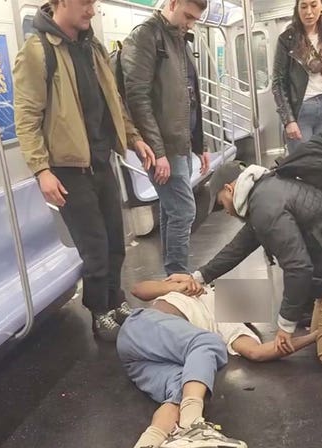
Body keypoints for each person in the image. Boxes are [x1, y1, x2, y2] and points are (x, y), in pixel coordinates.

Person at [13, 0, 157, 342]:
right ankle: (98, 311)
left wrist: (134, 138)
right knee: (94, 246)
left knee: (114, 240)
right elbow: (27, 117)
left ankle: (115, 300)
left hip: (101, 159)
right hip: (68, 168)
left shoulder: (92, 46)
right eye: (85, 3)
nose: (92, 11)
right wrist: (41, 169)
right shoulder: (37, 52)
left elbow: (112, 100)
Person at [101, 275, 319, 448]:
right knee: (207, 342)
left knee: (178, 392)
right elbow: (139, 289)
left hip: (144, 357)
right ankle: (193, 425)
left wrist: (316, 335)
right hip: (143, 326)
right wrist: (177, 286)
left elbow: (258, 352)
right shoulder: (190, 285)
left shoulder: (232, 326)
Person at [191, 162, 322, 368]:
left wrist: (285, 325)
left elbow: (298, 267)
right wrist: (198, 277)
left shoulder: (265, 207)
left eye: (221, 204)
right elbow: (238, 247)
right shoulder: (265, 192)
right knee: (319, 332)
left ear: (229, 189)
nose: (226, 212)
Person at [120, 0, 210, 276]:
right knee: (183, 211)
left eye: (195, 19)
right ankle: (179, 276)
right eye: (187, 16)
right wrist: (157, 152)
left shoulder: (180, 40)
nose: (190, 24)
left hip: (180, 143)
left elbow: (190, 95)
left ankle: (172, 275)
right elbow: (137, 97)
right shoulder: (146, 36)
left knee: (172, 211)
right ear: (172, 3)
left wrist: (199, 145)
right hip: (162, 146)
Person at [271, 0, 322, 153]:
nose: (309, 12)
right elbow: (278, 83)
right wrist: (289, 120)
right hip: (301, 110)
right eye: (303, 6)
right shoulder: (287, 39)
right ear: (297, 9)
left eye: (313, 5)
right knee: (303, 164)